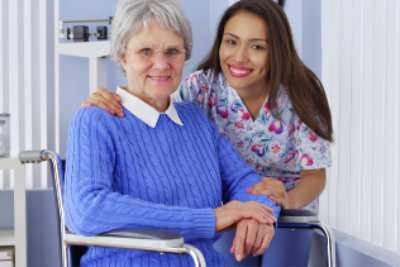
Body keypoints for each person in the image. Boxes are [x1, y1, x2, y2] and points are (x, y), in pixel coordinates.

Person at [83, 0, 333, 265]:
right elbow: (154, 105)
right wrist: (108, 98)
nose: (240, 56)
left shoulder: (298, 96)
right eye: (231, 42)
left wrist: (283, 201)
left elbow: (313, 175)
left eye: (257, 46)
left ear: (277, 52)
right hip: (228, 206)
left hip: (279, 203)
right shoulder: (201, 89)